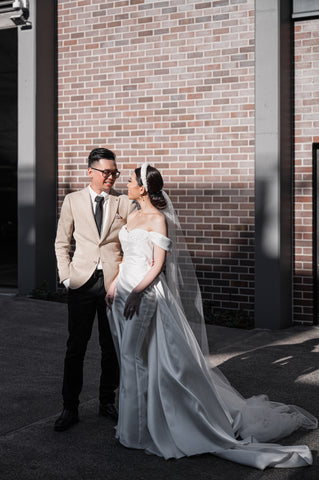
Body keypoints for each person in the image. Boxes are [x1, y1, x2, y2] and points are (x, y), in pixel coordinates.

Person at [106, 163, 317, 470]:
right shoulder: (132, 214)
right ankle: (136, 426)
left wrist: (137, 292)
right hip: (123, 291)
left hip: (146, 293)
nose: (126, 183)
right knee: (136, 359)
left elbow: (157, 265)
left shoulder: (157, 218)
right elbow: (126, 256)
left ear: (143, 188)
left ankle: (136, 433)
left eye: (130, 180)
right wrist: (114, 285)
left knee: (132, 358)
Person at [54, 147, 134, 432]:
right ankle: (69, 407)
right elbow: (61, 242)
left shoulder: (123, 203)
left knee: (110, 347)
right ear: (90, 171)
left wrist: (122, 276)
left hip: (113, 284)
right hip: (81, 283)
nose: (111, 177)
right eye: (106, 172)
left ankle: (106, 402)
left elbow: (134, 242)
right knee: (76, 347)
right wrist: (66, 278)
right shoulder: (73, 200)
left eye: (114, 172)